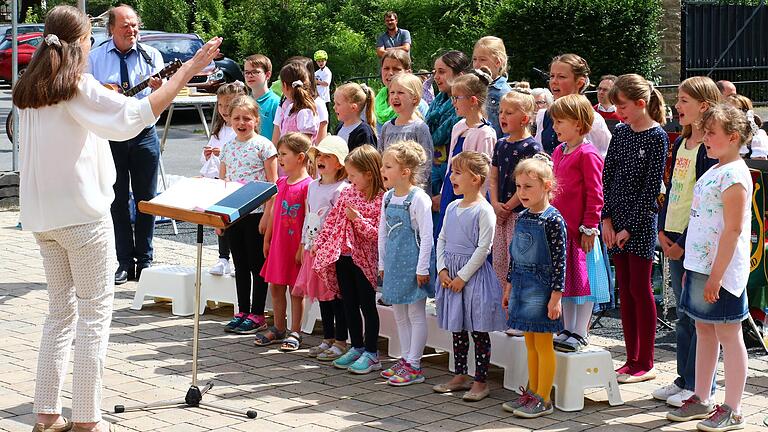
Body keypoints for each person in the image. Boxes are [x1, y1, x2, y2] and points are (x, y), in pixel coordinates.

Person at [15, 5, 220, 431]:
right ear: (81, 44)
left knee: (59, 315)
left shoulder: (30, 89)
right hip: (82, 217)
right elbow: (134, 117)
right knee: (93, 315)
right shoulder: (76, 85)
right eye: (90, 40)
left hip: (43, 219)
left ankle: (46, 414)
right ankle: (87, 420)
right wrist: (188, 73)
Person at [666, 103, 753, 432]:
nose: (705, 138)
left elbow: (732, 230)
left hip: (723, 271)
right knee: (704, 328)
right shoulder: (715, 169)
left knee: (729, 334)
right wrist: (695, 266)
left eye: (711, 134)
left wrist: (716, 275)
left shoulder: (734, 174)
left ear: (732, 137)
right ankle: (701, 397)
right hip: (702, 266)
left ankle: (733, 407)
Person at [87, 4, 166, 285]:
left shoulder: (152, 56)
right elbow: (89, 98)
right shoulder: (95, 59)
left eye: (134, 25)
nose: (131, 30)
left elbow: (164, 98)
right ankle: (123, 262)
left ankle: (145, 261)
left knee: (147, 199)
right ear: (111, 28)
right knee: (117, 200)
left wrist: (161, 91)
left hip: (144, 134)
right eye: (125, 25)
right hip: (111, 137)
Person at [654, 76, 720, 408]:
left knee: (697, 316)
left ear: (704, 106)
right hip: (673, 236)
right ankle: (683, 377)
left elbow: (704, 203)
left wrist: (681, 239)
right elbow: (672, 192)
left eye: (683, 101)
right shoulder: (679, 144)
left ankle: (698, 382)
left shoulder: (709, 151)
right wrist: (664, 230)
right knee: (682, 313)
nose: (676, 106)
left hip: (693, 243)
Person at [603, 73, 669, 384]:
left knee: (640, 289)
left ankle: (646, 359)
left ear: (641, 104)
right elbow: (608, 176)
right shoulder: (620, 132)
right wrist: (606, 219)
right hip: (615, 221)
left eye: (624, 106)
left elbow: (649, 188)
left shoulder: (656, 136)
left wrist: (629, 226)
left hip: (640, 223)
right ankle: (630, 359)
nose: (619, 113)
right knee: (624, 290)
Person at [432, 151, 506, 402]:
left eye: (457, 173)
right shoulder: (453, 206)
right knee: (458, 327)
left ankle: (481, 380)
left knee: (477, 330)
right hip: (450, 275)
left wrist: (462, 276)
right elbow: (441, 238)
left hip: (472, 278)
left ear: (475, 179)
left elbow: (484, 247)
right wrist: (441, 268)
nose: (452, 177)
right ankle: (461, 374)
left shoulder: (483, 210)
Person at [502, 153, 566, 418]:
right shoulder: (522, 216)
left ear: (547, 186)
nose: (522, 192)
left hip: (542, 289)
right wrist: (508, 285)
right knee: (530, 343)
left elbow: (561, 261)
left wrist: (556, 296)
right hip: (521, 286)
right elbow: (514, 255)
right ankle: (531, 392)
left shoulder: (553, 219)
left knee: (543, 344)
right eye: (518, 187)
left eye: (528, 187)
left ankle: (544, 397)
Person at [313, 145, 386, 374]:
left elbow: (376, 234)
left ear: (369, 174)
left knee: (367, 305)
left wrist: (358, 219)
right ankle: (356, 346)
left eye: (354, 175)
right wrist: (320, 242)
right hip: (342, 257)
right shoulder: (347, 193)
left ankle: (372, 353)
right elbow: (332, 221)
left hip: (364, 261)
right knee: (348, 303)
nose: (350, 180)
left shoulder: (381, 199)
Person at [549, 94, 608, 352]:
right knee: (567, 282)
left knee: (584, 283)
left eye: (560, 121)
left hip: (580, 232)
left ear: (578, 123)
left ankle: (580, 330)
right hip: (561, 231)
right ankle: (567, 327)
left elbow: (596, 193)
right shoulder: (559, 151)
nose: (555, 127)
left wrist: (589, 226)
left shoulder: (588, 154)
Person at [378, 141, 435, 386]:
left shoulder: (418, 199)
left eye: (388, 166)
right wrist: (381, 262)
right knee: (399, 313)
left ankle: (414, 363)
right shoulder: (389, 197)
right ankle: (404, 358)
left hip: (413, 265)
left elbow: (427, 236)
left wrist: (422, 268)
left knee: (415, 313)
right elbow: (382, 232)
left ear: (405, 172)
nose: (383, 170)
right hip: (393, 263)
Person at [220, 96, 278, 334]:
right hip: (234, 215)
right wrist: (219, 217)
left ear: (256, 119)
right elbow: (222, 183)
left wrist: (267, 215)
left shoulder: (264, 146)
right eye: (236, 118)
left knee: (257, 264)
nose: (241, 123)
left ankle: (257, 313)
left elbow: (272, 185)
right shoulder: (228, 147)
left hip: (256, 214)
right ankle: (242, 310)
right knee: (240, 264)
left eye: (247, 118)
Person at [294, 137, 350, 361]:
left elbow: (339, 222)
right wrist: (302, 244)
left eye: (328, 156)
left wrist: (327, 245)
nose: (321, 159)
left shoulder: (342, 189)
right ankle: (327, 337)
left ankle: (340, 340)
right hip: (312, 248)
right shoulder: (312, 186)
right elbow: (309, 216)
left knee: (334, 296)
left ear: (339, 163)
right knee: (321, 296)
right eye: (319, 155)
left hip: (330, 251)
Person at [256, 133, 312, 351]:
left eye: (283, 154)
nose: (279, 159)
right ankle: (279, 327)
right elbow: (273, 214)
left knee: (296, 291)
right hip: (279, 245)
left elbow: (308, 219)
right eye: (279, 154)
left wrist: (301, 247)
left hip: (296, 247)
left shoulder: (308, 186)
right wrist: (267, 239)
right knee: (276, 287)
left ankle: (295, 330)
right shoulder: (280, 182)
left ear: (300, 157)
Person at [435, 68, 497, 239]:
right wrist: (443, 190)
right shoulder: (458, 127)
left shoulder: (485, 133)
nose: (453, 102)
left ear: (473, 101)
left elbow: (484, 172)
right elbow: (450, 164)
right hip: (452, 186)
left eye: (457, 98)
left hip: (470, 192)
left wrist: (479, 203)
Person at [489, 90, 542, 289]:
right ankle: (504, 303)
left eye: (509, 113)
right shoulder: (500, 144)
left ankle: (517, 301)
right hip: (501, 213)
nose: (502, 116)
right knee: (500, 260)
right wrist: (495, 204)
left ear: (525, 118)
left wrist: (508, 207)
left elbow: (529, 184)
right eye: (501, 111)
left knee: (518, 259)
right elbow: (493, 176)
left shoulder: (531, 148)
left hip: (519, 214)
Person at [202, 81, 247, 276]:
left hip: (236, 183)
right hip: (217, 182)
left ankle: (239, 260)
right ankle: (222, 258)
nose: (224, 110)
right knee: (220, 223)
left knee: (236, 223)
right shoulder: (219, 130)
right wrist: (208, 155)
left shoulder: (241, 129)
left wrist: (223, 153)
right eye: (220, 105)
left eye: (228, 105)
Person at [534, 54, 612, 157]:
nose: (554, 81)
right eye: (552, 76)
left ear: (579, 82)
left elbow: (603, 157)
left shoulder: (592, 119)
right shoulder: (544, 115)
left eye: (561, 77)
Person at [425, 50, 469, 200]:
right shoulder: (437, 102)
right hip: (432, 174)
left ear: (460, 75)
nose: (436, 77)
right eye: (435, 72)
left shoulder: (465, 110)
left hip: (453, 177)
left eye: (442, 72)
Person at [379, 73, 434, 192]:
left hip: (413, 192)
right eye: (392, 92)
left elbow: (426, 163)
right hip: (391, 192)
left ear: (414, 98)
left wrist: (412, 188)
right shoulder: (386, 127)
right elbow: (381, 157)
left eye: (400, 93)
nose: (394, 97)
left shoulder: (419, 128)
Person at [374, 50, 429, 135]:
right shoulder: (375, 103)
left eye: (396, 69)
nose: (390, 73)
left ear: (408, 72)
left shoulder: (418, 105)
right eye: (386, 68)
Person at [272, 62, 319, 153]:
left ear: (284, 85)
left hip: (298, 163)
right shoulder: (289, 107)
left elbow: (305, 145)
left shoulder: (304, 112)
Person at [472, 36, 511, 137]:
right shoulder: (472, 88)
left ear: (498, 62)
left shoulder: (503, 93)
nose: (477, 64)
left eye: (482, 60)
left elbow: (509, 131)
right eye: (474, 59)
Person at [243, 54, 281, 141]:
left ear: (267, 75)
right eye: (246, 72)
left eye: (255, 72)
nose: (250, 75)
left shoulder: (276, 103)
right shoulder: (244, 102)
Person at [333, 82, 378, 151]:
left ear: (353, 108)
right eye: (334, 103)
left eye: (338, 104)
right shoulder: (339, 127)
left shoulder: (364, 132)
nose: (334, 107)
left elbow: (366, 160)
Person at [726, 93, 768, 159]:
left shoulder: (757, 135)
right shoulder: (721, 134)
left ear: (746, 112)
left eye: (734, 110)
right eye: (725, 110)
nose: (728, 114)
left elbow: (759, 164)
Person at [314, 50, 332, 114]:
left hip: (324, 98)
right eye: (319, 61)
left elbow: (326, 83)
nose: (321, 63)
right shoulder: (316, 72)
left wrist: (316, 81)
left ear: (326, 61)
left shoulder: (327, 71)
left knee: (325, 114)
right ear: (316, 62)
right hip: (317, 97)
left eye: (322, 61)